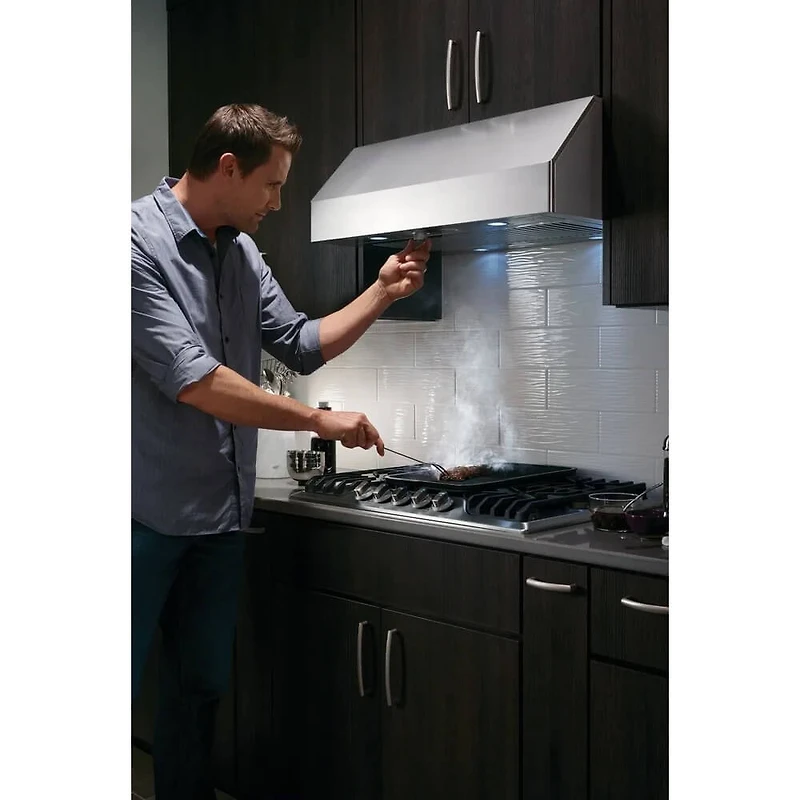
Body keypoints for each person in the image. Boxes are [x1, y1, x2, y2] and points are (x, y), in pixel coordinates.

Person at [131, 103, 430, 799]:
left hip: (218, 522)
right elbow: (196, 381)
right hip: (138, 517)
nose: (278, 201)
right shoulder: (132, 243)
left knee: (197, 694)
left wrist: (380, 293)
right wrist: (317, 423)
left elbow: (296, 340)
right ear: (228, 168)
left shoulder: (239, 250)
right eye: (272, 185)